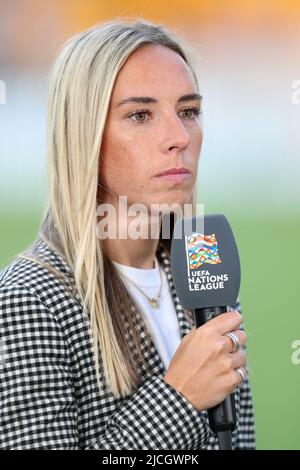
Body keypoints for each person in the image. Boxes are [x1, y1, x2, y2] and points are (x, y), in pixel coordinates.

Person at [0, 18, 256, 450]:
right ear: (84, 135)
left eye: (188, 111)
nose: (179, 137)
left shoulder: (202, 270)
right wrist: (179, 398)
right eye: (140, 115)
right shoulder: (28, 301)